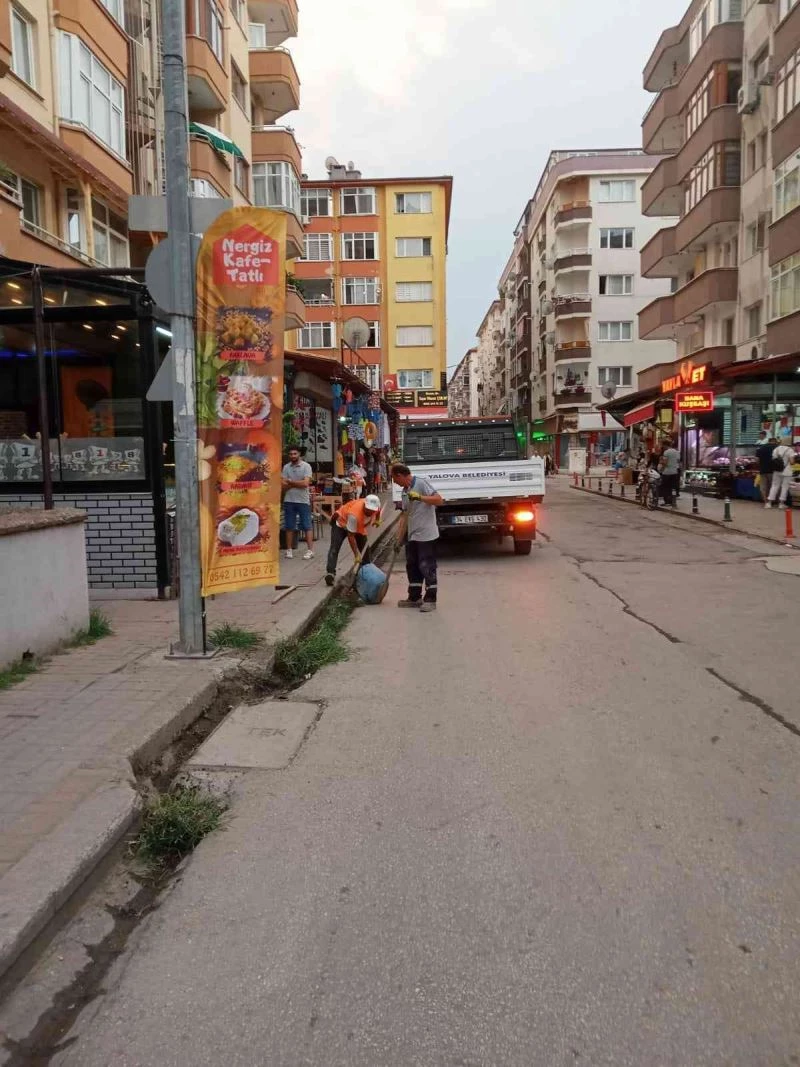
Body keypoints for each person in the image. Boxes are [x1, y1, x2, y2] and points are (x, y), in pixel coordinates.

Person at [391, 463, 444, 613]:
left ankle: (430, 599)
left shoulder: (421, 483)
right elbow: (404, 517)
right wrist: (399, 538)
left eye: (395, 479)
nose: (395, 482)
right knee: (412, 565)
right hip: (413, 534)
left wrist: (420, 497)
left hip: (427, 534)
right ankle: (414, 597)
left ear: (400, 475)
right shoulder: (404, 492)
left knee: (426, 565)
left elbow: (439, 500)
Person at [325, 494, 382, 586]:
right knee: (335, 548)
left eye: (372, 511)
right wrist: (356, 555)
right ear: (364, 505)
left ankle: (366, 574)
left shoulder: (375, 506)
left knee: (365, 550)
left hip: (358, 526)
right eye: (368, 510)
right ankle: (330, 573)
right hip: (341, 524)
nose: (370, 512)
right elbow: (351, 536)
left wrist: (377, 520)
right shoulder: (354, 514)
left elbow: (378, 511)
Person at [281, 447, 314, 560]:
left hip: (303, 500)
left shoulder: (306, 466)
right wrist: (296, 483)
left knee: (306, 525)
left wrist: (290, 482)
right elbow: (283, 485)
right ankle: (289, 550)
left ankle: (310, 550)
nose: (293, 456)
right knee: (289, 526)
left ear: (299, 454)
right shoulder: (286, 467)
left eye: (295, 453)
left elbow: (305, 483)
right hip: (289, 500)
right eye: (291, 454)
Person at [766, 438, 794, 509]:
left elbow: (773, 459)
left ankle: (769, 503)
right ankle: (781, 504)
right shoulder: (790, 450)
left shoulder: (776, 449)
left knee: (774, 486)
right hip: (787, 471)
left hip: (777, 470)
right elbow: (791, 462)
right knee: (784, 487)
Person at [755, 431, 775, 503]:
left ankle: (765, 501)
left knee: (763, 487)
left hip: (763, 470)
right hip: (772, 470)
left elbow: (757, 460)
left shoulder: (760, 449)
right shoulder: (775, 449)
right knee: (772, 486)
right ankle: (770, 501)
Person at [659, 439, 680, 507]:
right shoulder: (676, 451)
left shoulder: (666, 452)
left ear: (665, 445)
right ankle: (672, 501)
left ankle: (667, 502)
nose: (662, 446)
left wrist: (661, 469)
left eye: (662, 445)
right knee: (672, 487)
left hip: (667, 472)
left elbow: (665, 462)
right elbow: (678, 460)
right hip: (674, 472)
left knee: (665, 487)